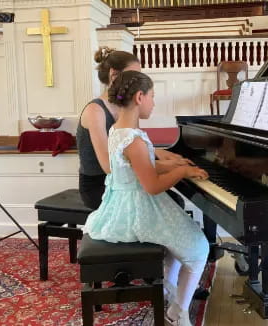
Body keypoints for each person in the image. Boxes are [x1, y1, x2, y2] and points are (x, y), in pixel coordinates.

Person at [82, 70, 209, 326]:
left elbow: (140, 167)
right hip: (137, 211)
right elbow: (151, 185)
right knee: (199, 249)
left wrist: (174, 166)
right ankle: (178, 313)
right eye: (152, 96)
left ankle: (168, 289)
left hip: (122, 205)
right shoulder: (134, 139)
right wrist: (182, 171)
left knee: (179, 238)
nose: (154, 102)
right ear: (140, 97)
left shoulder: (118, 130)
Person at [77, 47, 187, 209]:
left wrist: (164, 154)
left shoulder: (127, 105)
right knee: (171, 203)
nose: (138, 80)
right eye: (133, 75)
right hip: (100, 186)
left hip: (121, 179)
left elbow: (130, 146)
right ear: (114, 75)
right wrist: (169, 167)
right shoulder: (95, 111)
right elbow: (110, 166)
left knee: (172, 200)